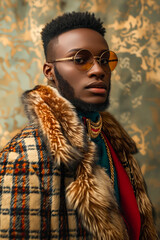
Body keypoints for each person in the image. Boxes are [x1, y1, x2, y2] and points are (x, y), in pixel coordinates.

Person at [0, 12, 158, 240]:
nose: (99, 70)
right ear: (49, 72)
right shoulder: (23, 159)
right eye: (80, 60)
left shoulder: (116, 145)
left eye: (105, 60)